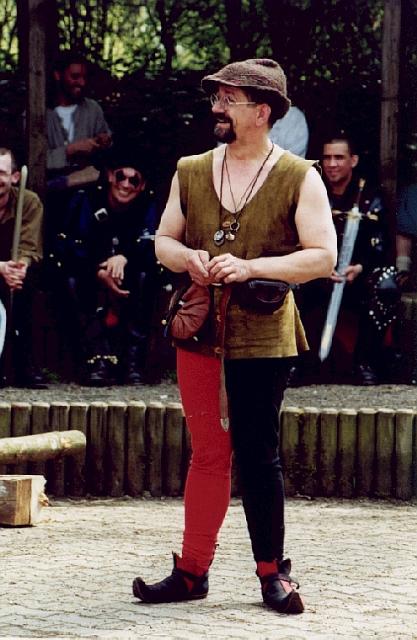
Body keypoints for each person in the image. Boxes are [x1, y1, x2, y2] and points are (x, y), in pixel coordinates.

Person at [132, 58, 337, 614]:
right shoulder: (191, 169)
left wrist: (250, 267)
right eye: (216, 98)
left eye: (228, 99)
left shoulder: (299, 175)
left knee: (258, 454)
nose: (216, 107)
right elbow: (163, 241)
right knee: (206, 454)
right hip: (199, 328)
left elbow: (323, 256)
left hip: (264, 333)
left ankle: (273, 574)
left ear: (261, 111)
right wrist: (188, 258)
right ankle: (191, 572)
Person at [47, 141, 159, 386]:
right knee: (68, 279)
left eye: (134, 180)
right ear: (109, 176)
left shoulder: (148, 205)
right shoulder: (85, 200)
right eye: (121, 176)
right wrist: (98, 270)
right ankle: (95, 358)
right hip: (89, 272)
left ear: (142, 186)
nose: (126, 185)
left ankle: (133, 361)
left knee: (147, 276)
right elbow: (69, 247)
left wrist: (125, 257)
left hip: (129, 275)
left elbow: (153, 244)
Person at [295, 134, 392, 385]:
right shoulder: (311, 192)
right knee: (289, 282)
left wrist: (360, 267)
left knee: (386, 283)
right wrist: (317, 265)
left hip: (356, 277)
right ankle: (297, 364)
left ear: (353, 160)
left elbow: (382, 246)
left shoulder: (371, 197)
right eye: (327, 157)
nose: (332, 164)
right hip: (316, 273)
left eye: (339, 157)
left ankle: (365, 362)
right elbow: (294, 237)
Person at [0, 147, 47, 388]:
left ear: (15, 177)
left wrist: (19, 268)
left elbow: (29, 246)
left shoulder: (28, 202)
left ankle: (25, 365)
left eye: (1, 173)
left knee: (33, 289)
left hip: (15, 270)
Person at [46, 51, 112, 191]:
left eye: (84, 77)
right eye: (75, 77)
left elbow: (107, 150)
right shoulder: (39, 114)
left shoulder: (93, 108)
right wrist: (70, 150)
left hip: (88, 188)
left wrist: (104, 141)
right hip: (49, 189)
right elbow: (34, 161)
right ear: (58, 75)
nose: (82, 83)